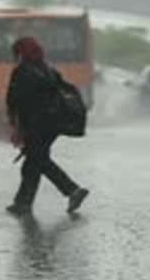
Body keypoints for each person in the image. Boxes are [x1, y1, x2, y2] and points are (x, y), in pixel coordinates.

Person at [5, 37, 89, 216]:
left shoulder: (22, 71)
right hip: (53, 124)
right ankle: (22, 203)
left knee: (39, 160)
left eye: (16, 53)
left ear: (21, 53)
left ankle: (72, 190)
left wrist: (15, 125)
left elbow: (15, 101)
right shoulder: (48, 70)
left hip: (36, 124)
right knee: (33, 162)